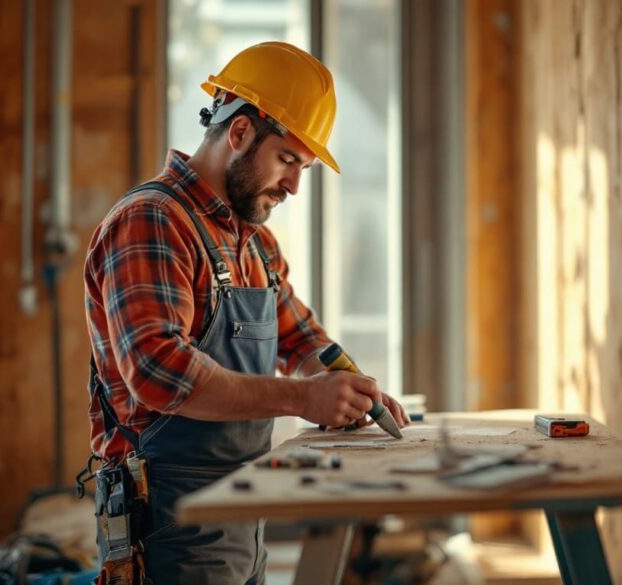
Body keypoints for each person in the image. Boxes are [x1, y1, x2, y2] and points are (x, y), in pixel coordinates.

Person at [82, 41, 408, 584]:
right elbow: (157, 372)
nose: (294, 185)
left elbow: (301, 338)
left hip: (241, 503)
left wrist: (353, 387)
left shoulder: (251, 241)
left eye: (302, 167)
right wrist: (304, 398)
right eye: (286, 160)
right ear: (238, 134)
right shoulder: (152, 221)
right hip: (167, 515)